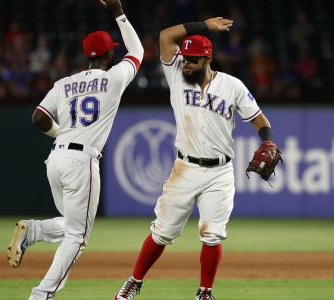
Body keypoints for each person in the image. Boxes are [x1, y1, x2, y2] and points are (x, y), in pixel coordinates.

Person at [114, 17, 279, 300]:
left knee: (213, 234)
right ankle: (134, 281)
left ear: (207, 59)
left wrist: (267, 140)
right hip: (185, 168)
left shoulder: (232, 86)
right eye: (185, 57)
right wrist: (204, 25)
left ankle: (204, 293)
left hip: (220, 172)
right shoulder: (177, 75)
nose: (186, 62)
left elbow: (258, 119)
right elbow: (166, 36)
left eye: (192, 59)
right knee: (162, 231)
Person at [6, 0, 143, 299]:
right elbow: (138, 53)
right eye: (112, 50)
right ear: (109, 54)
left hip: (56, 158)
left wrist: (61, 135)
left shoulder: (64, 83)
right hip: (82, 161)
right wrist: (118, 12)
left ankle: (34, 231)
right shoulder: (113, 78)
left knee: (72, 226)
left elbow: (38, 117)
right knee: (78, 237)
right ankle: (42, 294)